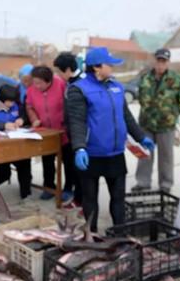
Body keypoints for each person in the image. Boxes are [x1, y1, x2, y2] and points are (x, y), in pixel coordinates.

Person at [66, 47, 154, 232]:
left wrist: (141, 137)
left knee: (118, 198)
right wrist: (79, 148)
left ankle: (120, 234)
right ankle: (92, 235)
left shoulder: (116, 87)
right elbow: (76, 122)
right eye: (109, 64)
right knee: (90, 199)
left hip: (115, 153)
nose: (113, 68)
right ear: (97, 67)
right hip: (91, 154)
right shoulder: (79, 90)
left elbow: (126, 116)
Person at [133, 48, 180, 193]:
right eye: (158, 61)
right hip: (147, 123)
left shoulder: (176, 80)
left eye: (163, 61)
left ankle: (165, 184)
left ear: (168, 62)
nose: (160, 64)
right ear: (154, 61)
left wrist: (172, 114)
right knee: (145, 154)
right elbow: (140, 96)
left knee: (166, 157)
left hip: (166, 125)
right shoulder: (145, 78)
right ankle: (143, 182)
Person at [25, 65, 72, 201]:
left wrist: (66, 122)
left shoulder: (61, 84)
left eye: (40, 83)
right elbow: (29, 106)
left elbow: (70, 104)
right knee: (48, 162)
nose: (36, 86)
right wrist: (34, 119)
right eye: (35, 82)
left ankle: (69, 188)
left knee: (68, 163)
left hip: (63, 131)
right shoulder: (32, 89)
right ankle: (49, 187)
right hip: (45, 133)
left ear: (49, 81)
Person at [53, 52, 84, 208]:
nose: (57, 75)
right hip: (71, 133)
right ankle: (77, 199)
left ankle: (81, 201)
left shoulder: (80, 84)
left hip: (80, 135)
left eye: (59, 71)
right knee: (74, 168)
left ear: (67, 69)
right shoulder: (70, 83)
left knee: (81, 172)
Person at [0, 84, 32, 201]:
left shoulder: (17, 106)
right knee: (1, 171)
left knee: (25, 162)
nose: (11, 104)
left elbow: (24, 115)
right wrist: (3, 125)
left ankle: (26, 193)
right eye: (8, 102)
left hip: (16, 142)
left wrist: (22, 120)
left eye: (12, 102)